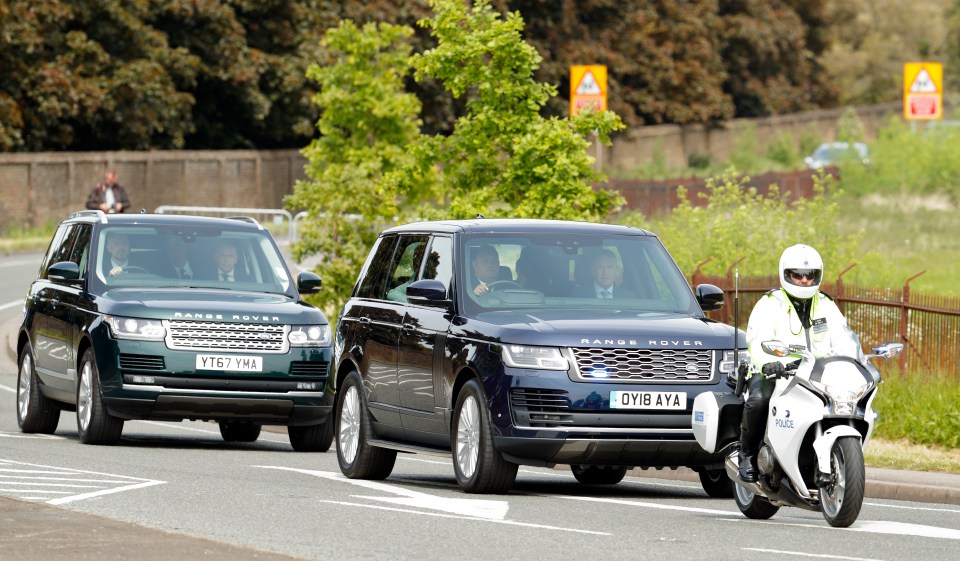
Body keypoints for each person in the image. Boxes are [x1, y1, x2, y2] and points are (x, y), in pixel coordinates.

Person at [738, 244, 862, 482]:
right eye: (798, 274)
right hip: (776, 372)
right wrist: (768, 363)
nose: (805, 280)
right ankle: (747, 455)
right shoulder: (770, 303)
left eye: (810, 275)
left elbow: (843, 336)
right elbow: (758, 338)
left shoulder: (826, 304)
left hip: (817, 373)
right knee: (759, 400)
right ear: (786, 273)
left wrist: (853, 360)